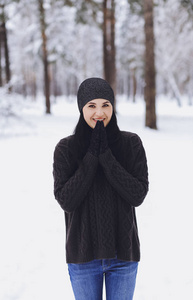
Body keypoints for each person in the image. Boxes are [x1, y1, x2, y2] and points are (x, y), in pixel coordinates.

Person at [53, 77, 149, 300]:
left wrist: (106, 157)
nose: (99, 113)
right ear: (81, 109)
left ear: (113, 107)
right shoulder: (66, 149)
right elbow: (67, 200)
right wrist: (91, 157)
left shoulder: (131, 144)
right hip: (83, 258)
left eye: (105, 105)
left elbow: (137, 195)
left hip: (123, 255)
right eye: (91, 106)